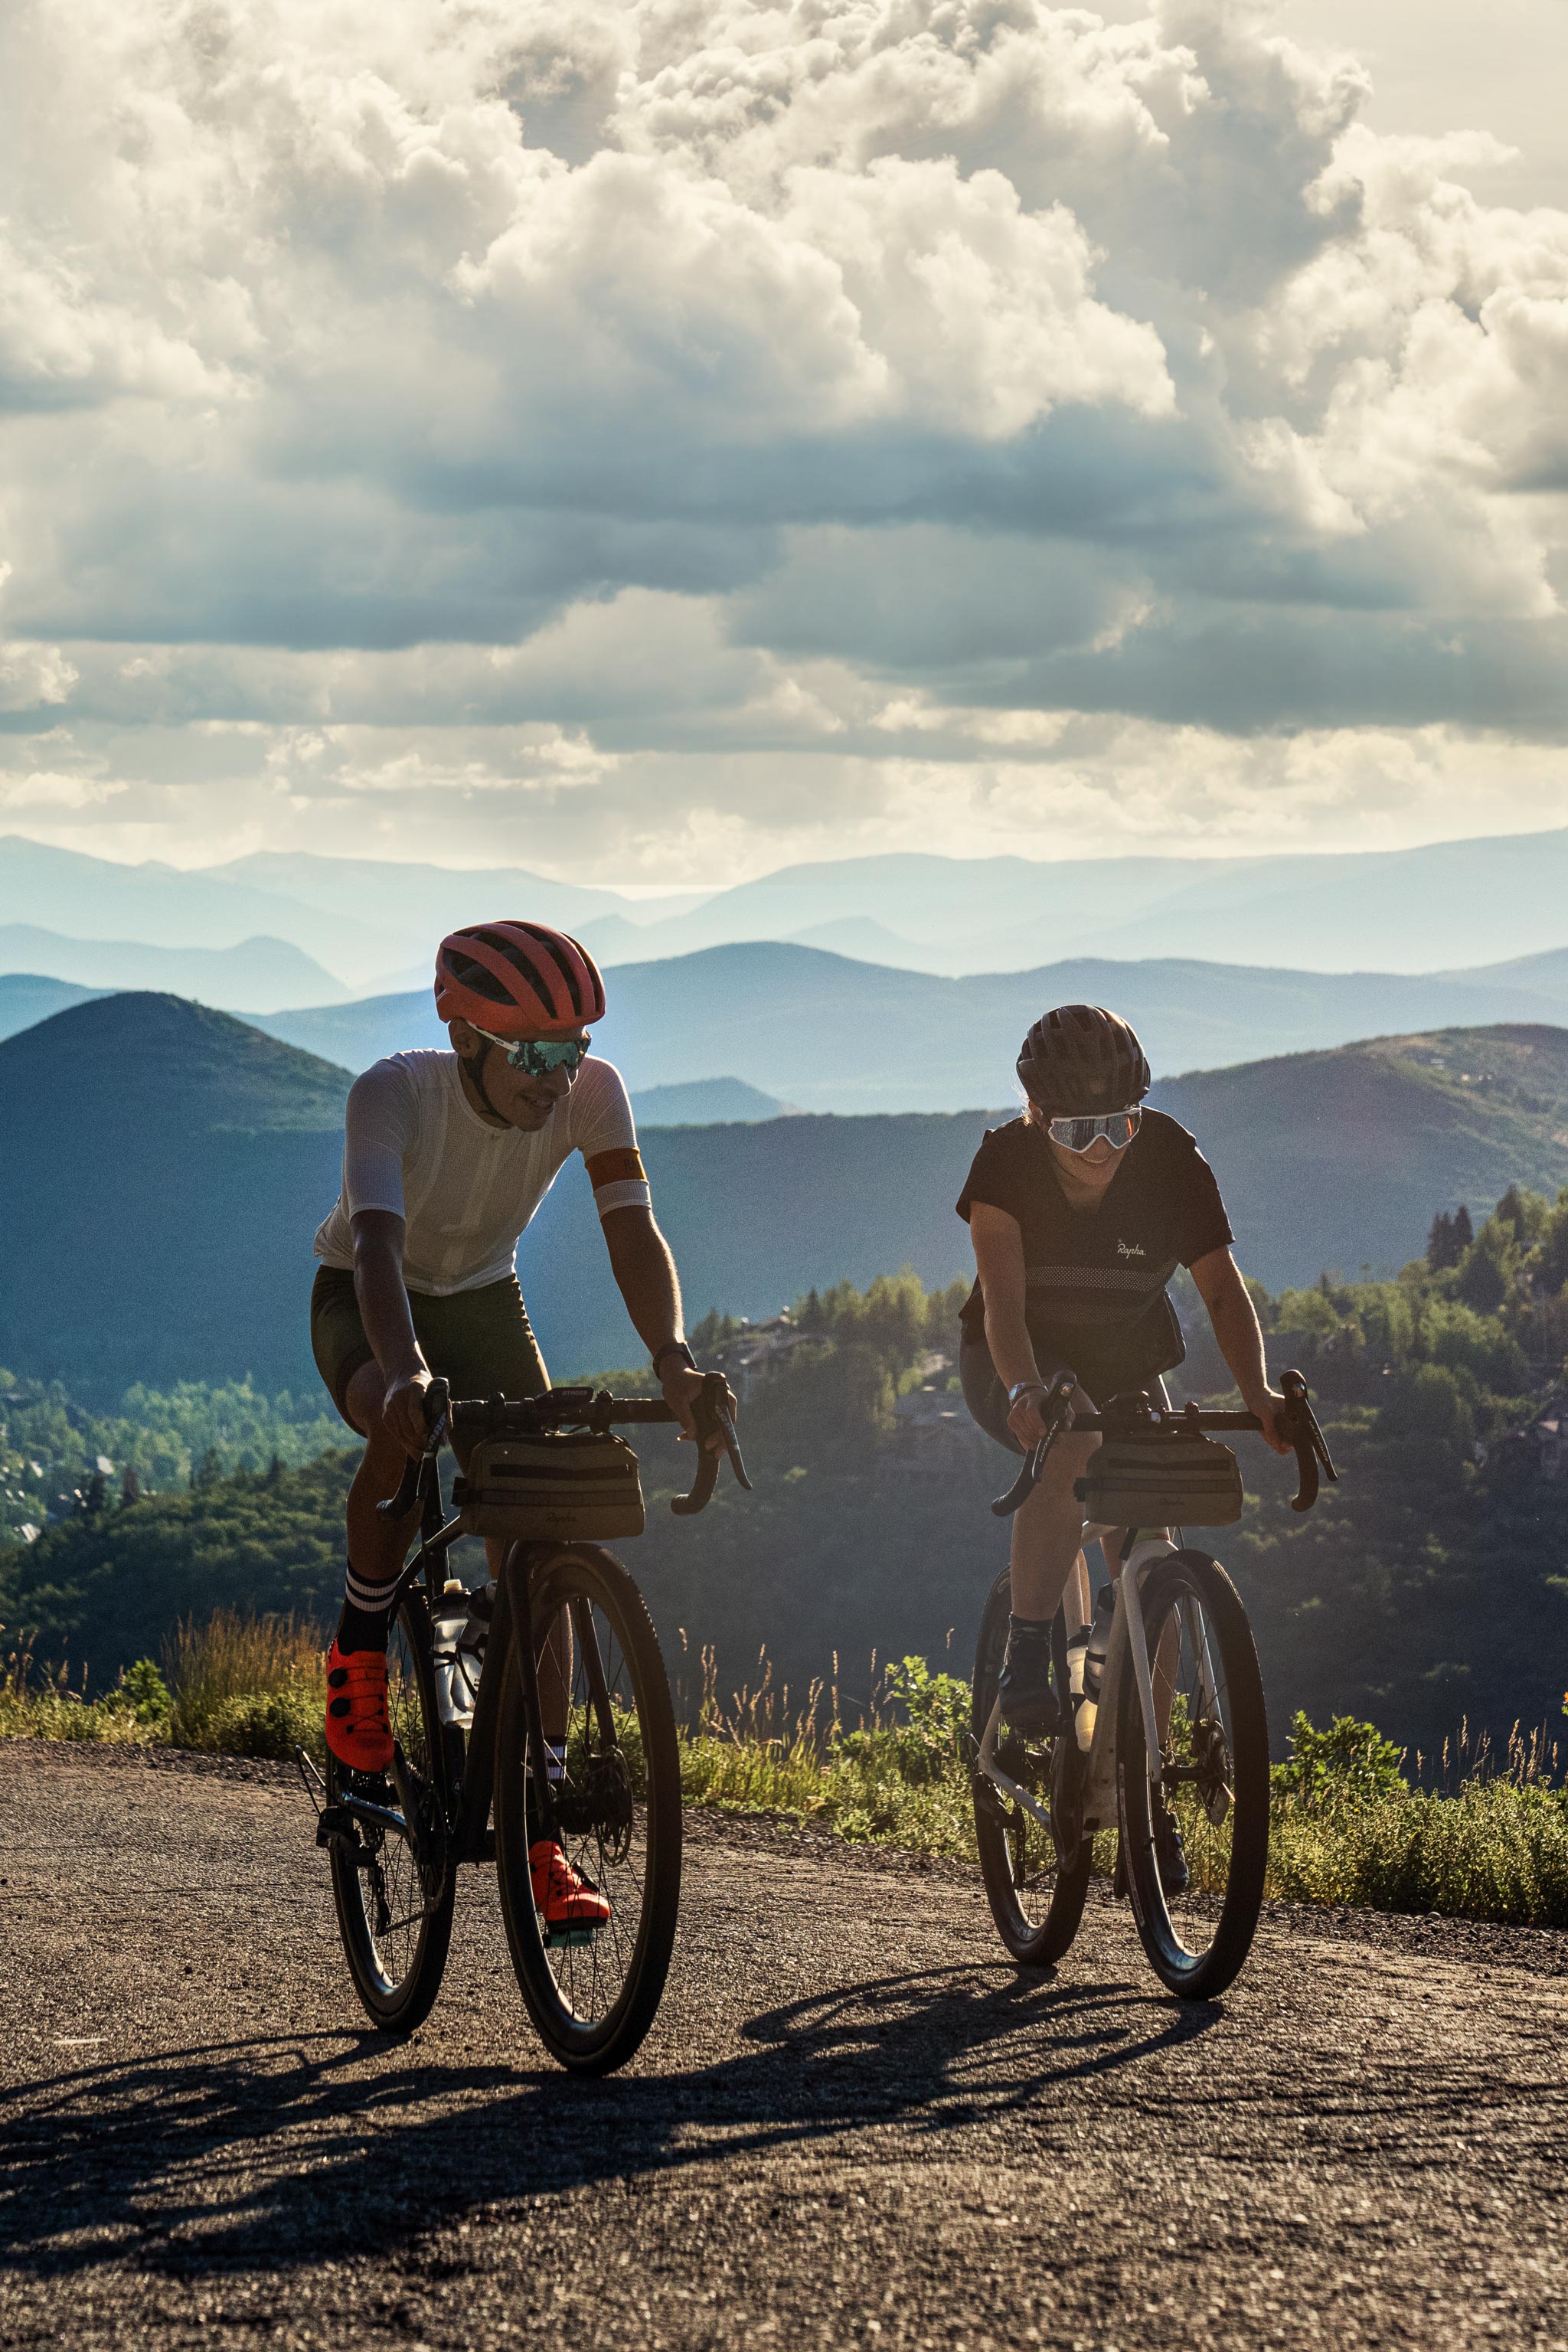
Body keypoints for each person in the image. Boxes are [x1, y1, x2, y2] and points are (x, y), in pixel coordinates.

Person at [309, 918, 729, 1932]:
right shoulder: (393, 1094)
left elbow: (632, 1229)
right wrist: (406, 1373)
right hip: (368, 1298)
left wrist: (671, 1358)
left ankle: (537, 1830)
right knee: (399, 1430)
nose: (558, 1076)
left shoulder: (593, 1092)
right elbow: (374, 1246)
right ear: (466, 1041)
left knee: (540, 1545)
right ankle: (359, 1652)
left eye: (574, 1048)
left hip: (487, 1303)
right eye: (535, 1054)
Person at [956, 1003, 1291, 1885]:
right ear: (1036, 1117)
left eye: (1118, 1125)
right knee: (1067, 1451)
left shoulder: (1171, 1159)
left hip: (1125, 1360)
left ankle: (1142, 1790)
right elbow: (1000, 1303)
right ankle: (1030, 1648)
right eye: (1076, 1130)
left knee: (1153, 1560)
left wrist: (1255, 1392)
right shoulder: (1003, 1164)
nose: (1101, 1148)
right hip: (1014, 1357)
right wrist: (1026, 1391)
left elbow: (1221, 1291)